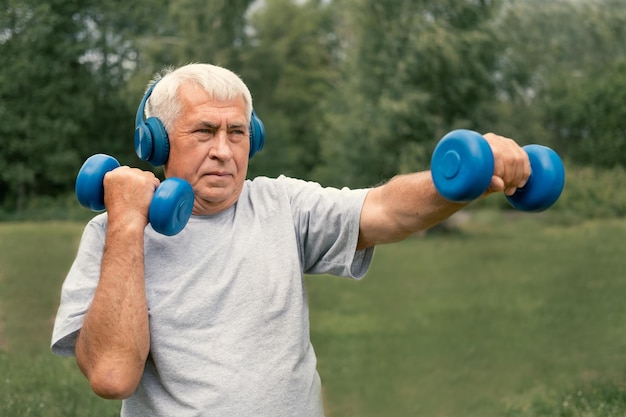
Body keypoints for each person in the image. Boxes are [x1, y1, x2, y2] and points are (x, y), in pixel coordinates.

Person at [51, 63, 530, 417]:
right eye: (204, 131)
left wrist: (462, 177)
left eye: (236, 132)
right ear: (156, 142)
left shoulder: (281, 205)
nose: (223, 150)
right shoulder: (112, 235)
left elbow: (386, 209)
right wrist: (130, 223)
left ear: (253, 140)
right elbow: (112, 376)